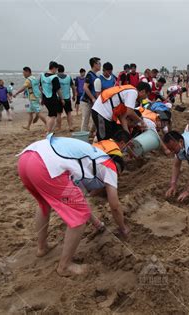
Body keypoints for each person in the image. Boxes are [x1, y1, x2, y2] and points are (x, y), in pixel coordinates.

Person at [17, 133, 128, 276]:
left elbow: (79, 200)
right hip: (46, 164)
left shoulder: (87, 161)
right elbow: (114, 205)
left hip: (28, 158)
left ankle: (42, 248)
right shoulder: (110, 165)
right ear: (118, 168)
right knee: (78, 217)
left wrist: (97, 224)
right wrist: (123, 228)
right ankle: (65, 266)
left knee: (44, 204)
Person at [40, 61, 65, 133]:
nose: (56, 71)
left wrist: (42, 98)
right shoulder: (54, 77)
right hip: (52, 98)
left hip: (45, 98)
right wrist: (62, 99)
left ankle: (48, 129)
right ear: (54, 68)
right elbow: (58, 90)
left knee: (49, 114)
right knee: (53, 115)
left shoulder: (42, 75)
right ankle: (48, 131)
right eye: (56, 69)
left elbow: (41, 87)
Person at [81, 57, 101, 132]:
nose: (100, 65)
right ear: (94, 64)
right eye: (99, 63)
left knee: (95, 118)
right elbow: (85, 87)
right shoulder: (90, 75)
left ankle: (91, 133)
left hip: (93, 101)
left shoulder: (96, 76)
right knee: (85, 119)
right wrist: (92, 98)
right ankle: (83, 137)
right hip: (86, 101)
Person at [57, 64, 75, 131]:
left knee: (58, 113)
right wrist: (74, 95)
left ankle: (59, 128)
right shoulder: (68, 77)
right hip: (67, 98)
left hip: (58, 98)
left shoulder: (56, 77)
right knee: (69, 113)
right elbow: (73, 87)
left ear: (57, 70)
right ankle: (70, 127)